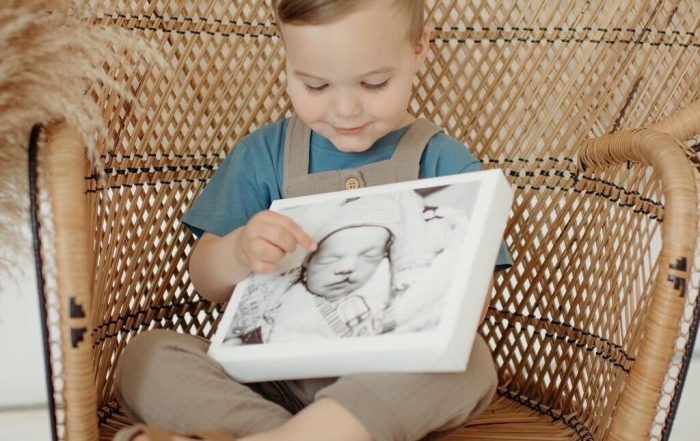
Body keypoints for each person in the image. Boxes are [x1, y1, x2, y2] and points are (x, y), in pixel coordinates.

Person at [113, 1, 513, 440]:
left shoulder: (445, 163)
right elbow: (204, 277)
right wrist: (239, 252)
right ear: (287, 57)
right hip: (266, 381)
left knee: (470, 360)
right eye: (315, 85)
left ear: (419, 48)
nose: (345, 109)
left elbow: (472, 305)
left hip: (386, 383)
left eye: (374, 83)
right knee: (146, 356)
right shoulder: (264, 155)